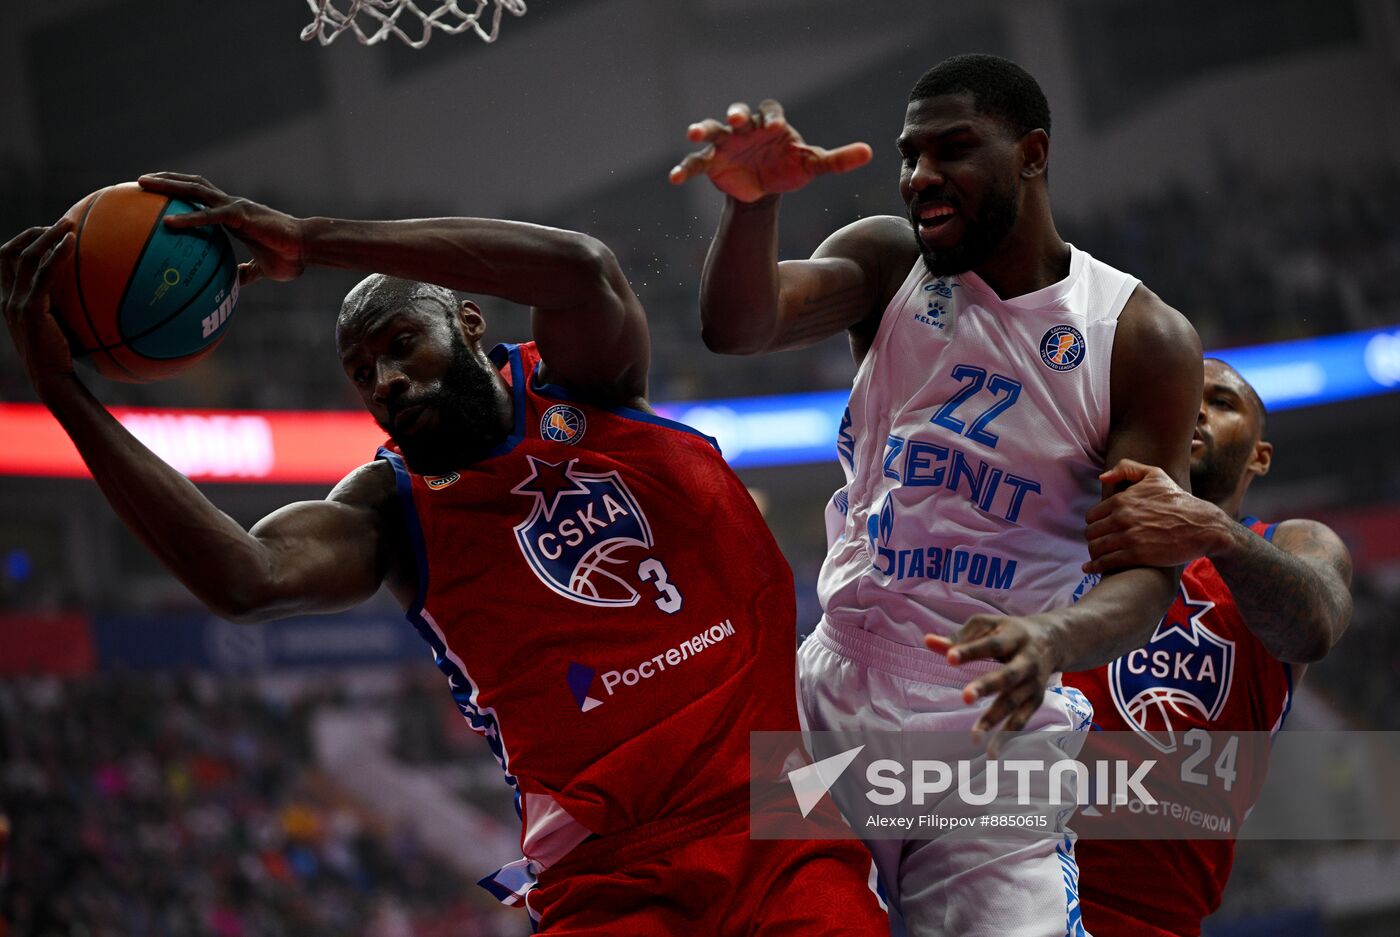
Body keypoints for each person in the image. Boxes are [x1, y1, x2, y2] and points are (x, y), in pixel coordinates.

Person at [0, 173, 890, 935]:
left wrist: (310, 240)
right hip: (608, 871)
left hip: (774, 803)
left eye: (401, 346)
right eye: (364, 375)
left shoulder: (590, 383)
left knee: (991, 810)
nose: (386, 381)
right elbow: (245, 577)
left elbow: (581, 267)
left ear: (469, 324)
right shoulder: (388, 508)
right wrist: (62, 396)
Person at [671, 53, 1202, 935]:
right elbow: (739, 324)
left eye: (952, 150)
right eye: (908, 155)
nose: (920, 176)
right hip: (834, 693)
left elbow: (1146, 577)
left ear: (1031, 153)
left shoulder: (1138, 336)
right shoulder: (886, 262)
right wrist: (754, 205)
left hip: (997, 714)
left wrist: (1049, 634)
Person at [1063, 358, 1353, 936]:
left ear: (1259, 457)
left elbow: (1314, 625)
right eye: (1184, 395)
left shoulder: (1295, 543)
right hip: (1013, 872)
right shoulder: (1067, 525)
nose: (1196, 408)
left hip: (1158, 918)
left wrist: (1209, 528)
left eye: (1221, 402)